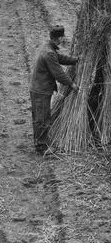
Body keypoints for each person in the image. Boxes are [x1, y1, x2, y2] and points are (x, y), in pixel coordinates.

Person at [29, 25, 79, 155]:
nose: (63, 40)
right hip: (41, 89)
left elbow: (59, 58)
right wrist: (72, 84)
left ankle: (38, 141)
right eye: (62, 37)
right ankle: (41, 147)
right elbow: (59, 74)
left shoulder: (48, 47)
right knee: (43, 118)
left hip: (38, 87)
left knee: (39, 116)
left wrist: (75, 60)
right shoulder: (50, 52)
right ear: (59, 38)